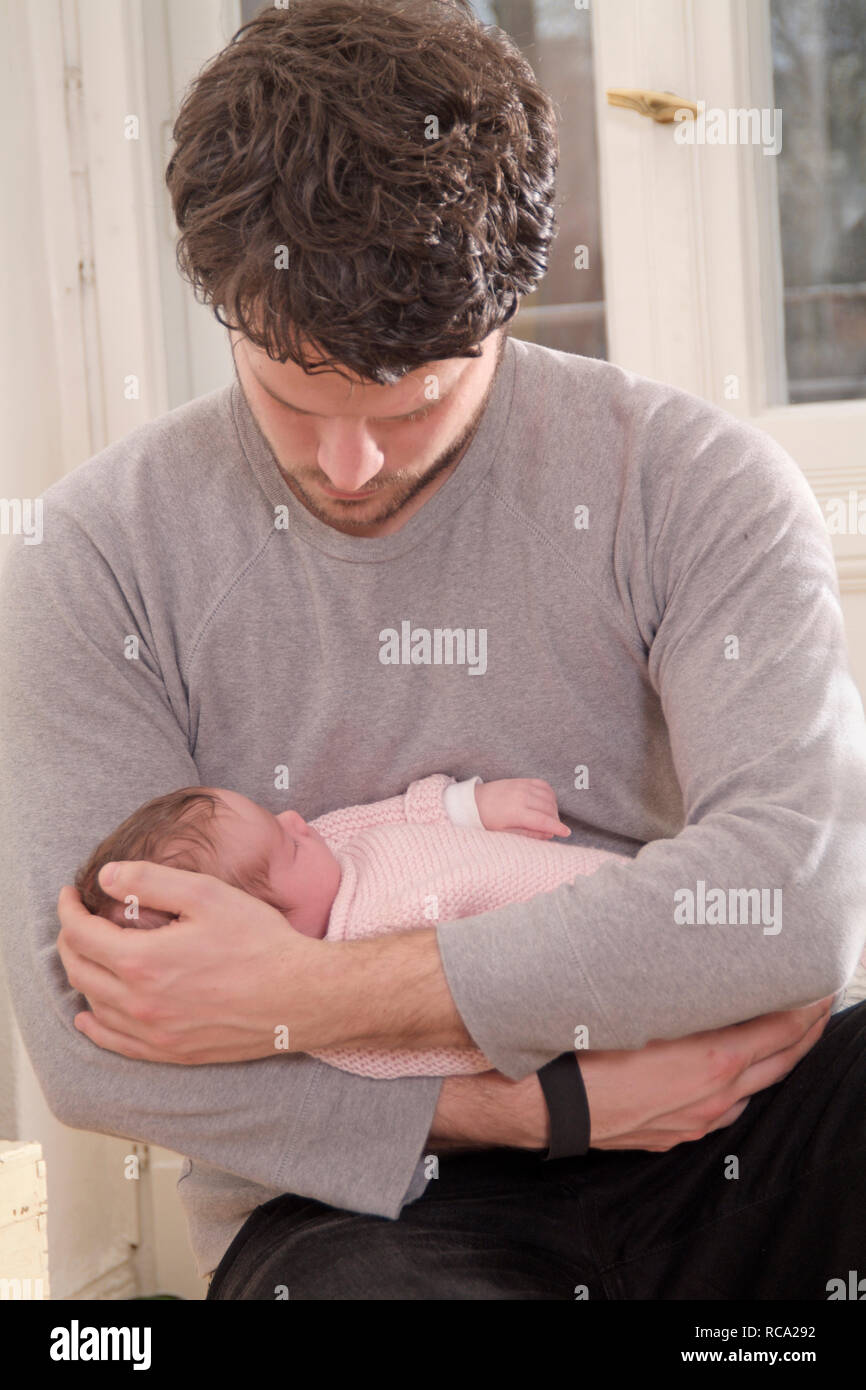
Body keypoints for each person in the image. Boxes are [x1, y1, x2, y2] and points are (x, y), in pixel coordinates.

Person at [0, 0, 864, 1300]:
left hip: (732, 1110)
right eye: (292, 396)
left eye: (407, 404)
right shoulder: (92, 558)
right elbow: (93, 1046)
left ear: (507, 312)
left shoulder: (692, 480)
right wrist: (547, 1108)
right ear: (217, 300)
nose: (345, 466)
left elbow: (789, 906)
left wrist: (300, 994)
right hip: (372, 1203)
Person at [72, 771, 625, 1077]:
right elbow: (451, 1041)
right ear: (264, 933)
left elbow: (397, 814)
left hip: (615, 884)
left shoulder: (324, 848)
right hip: (587, 954)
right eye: (285, 846)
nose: (299, 823)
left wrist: (471, 806)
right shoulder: (344, 997)